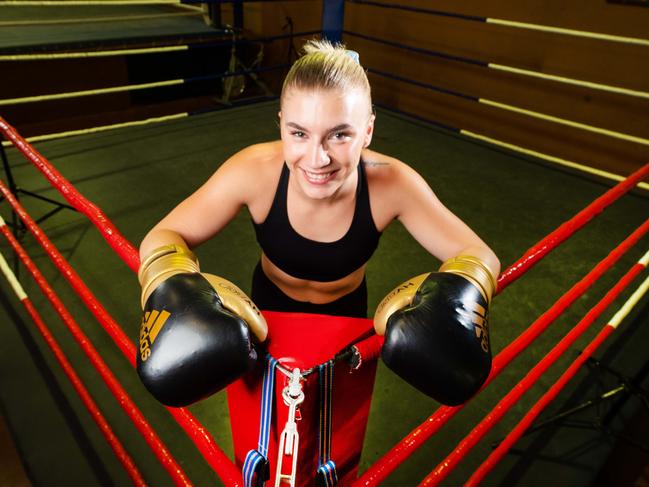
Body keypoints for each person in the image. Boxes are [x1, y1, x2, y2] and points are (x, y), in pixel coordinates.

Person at [136, 39, 500, 482]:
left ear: (368, 130)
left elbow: (478, 254)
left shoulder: (392, 184)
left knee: (331, 452)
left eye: (340, 134)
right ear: (281, 125)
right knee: (261, 452)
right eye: (299, 133)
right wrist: (172, 282)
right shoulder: (255, 170)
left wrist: (458, 299)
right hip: (265, 318)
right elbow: (164, 235)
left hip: (343, 325)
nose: (317, 158)